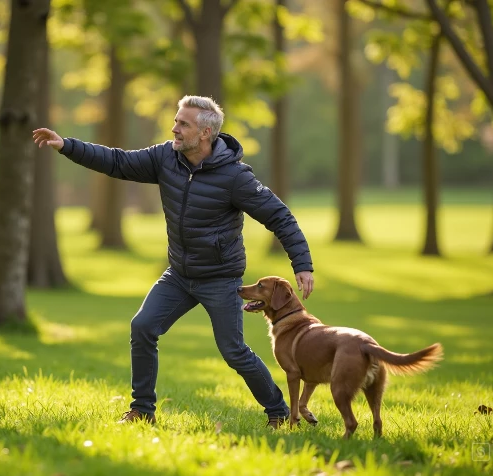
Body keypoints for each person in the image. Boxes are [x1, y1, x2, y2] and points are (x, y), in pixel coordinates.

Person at [32, 95, 314, 429]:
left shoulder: (235, 177)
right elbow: (118, 162)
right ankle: (142, 410)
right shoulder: (165, 157)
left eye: (183, 124)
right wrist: (67, 145)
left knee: (233, 351)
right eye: (176, 121)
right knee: (143, 327)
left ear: (205, 133)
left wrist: (302, 264)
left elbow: (279, 216)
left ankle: (278, 411)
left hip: (220, 278)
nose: (174, 129)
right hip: (179, 274)